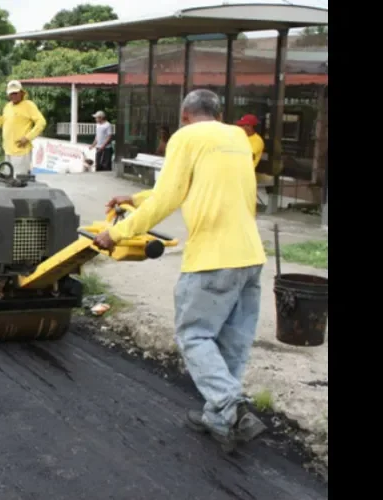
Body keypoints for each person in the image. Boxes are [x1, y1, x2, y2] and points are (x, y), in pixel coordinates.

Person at [93, 89, 268, 449]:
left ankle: (231, 407)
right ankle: (220, 418)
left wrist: (118, 231)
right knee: (232, 343)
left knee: (195, 336)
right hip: (251, 258)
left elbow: (170, 196)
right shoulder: (237, 137)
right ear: (218, 113)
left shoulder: (186, 137)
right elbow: (195, 187)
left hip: (212, 259)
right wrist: (135, 199)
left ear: (185, 115)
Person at [0, 80, 46, 177]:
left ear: (21, 93)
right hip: (8, 149)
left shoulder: (28, 105)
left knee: (19, 180)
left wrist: (27, 137)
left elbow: (41, 122)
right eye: (11, 94)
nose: (13, 96)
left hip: (21, 150)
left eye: (15, 93)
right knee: (8, 180)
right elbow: (2, 123)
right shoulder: (7, 106)